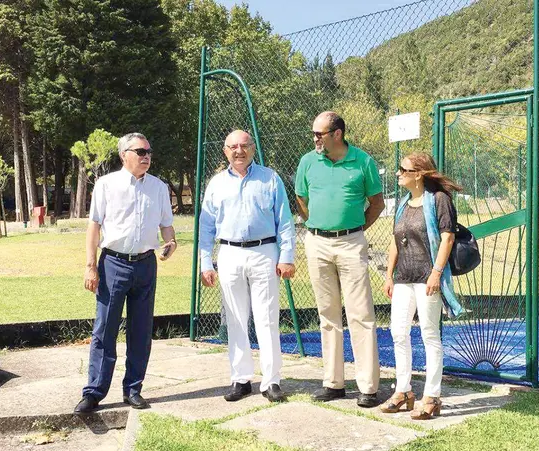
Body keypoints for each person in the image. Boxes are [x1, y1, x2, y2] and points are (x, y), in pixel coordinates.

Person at [74, 132, 177, 413]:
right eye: (140, 151)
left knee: (141, 331)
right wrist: (90, 265)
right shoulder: (107, 185)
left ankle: (133, 389)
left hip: (145, 264)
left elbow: (166, 225)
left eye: (149, 151)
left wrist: (171, 242)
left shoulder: (158, 187)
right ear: (124, 155)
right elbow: (94, 227)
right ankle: (94, 392)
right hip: (113, 264)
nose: (146, 156)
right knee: (105, 329)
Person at [294, 111, 386, 408]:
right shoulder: (308, 161)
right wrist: (319, 226)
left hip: (352, 243)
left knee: (361, 314)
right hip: (316, 243)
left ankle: (368, 387)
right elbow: (301, 200)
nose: (314, 139)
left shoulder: (363, 161)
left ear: (337, 134)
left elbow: (376, 204)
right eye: (313, 134)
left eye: (319, 133)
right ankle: (333, 383)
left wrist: (353, 229)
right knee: (327, 314)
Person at [198, 130, 296, 403]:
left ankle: (271, 380)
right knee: (235, 318)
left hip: (265, 252)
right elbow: (206, 226)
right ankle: (241, 379)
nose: (238, 151)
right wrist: (206, 261)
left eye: (244, 146)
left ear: (252, 148)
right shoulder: (216, 184)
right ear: (225, 151)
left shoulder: (270, 178)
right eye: (233, 147)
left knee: (267, 317)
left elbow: (284, 221)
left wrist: (286, 256)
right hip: (229, 252)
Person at [380, 152, 464, 420]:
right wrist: (389, 274)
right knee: (398, 332)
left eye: (403, 170)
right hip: (404, 277)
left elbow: (447, 238)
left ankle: (432, 396)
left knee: (429, 335)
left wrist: (436, 273)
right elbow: (394, 241)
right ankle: (403, 392)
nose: (398, 174)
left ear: (419, 174)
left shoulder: (439, 200)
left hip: (428, 277)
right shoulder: (404, 203)